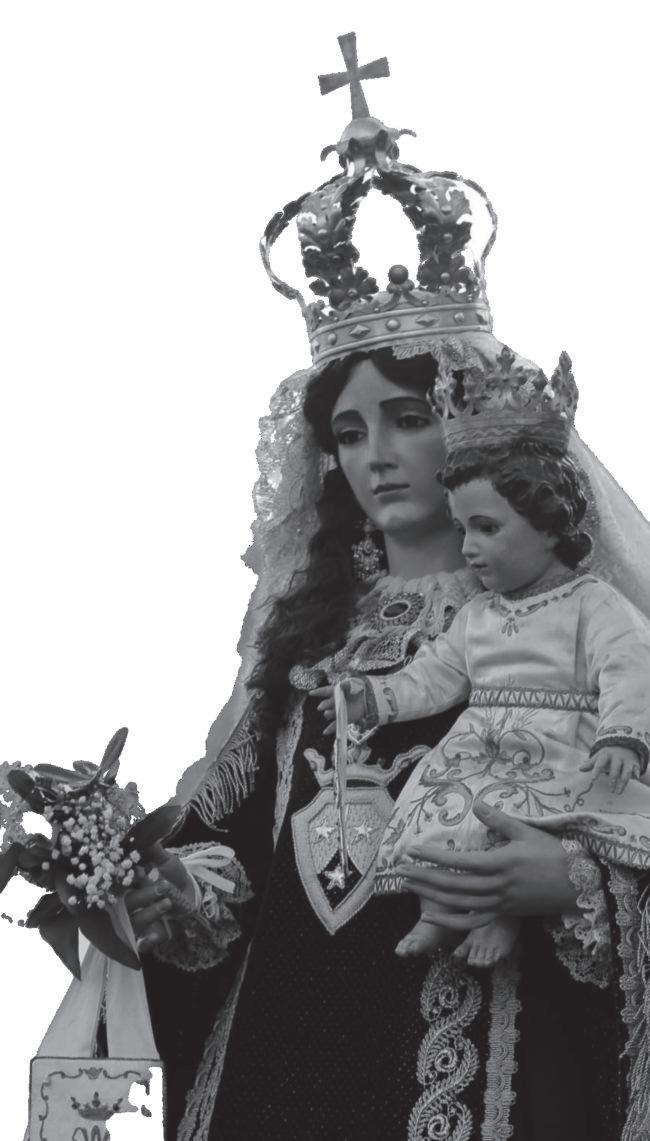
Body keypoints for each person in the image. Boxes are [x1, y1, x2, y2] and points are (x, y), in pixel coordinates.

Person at [126, 35, 650, 1141]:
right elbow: (233, 843)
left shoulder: (578, 619)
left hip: (499, 1049)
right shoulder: (304, 643)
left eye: (407, 419)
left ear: (469, 424)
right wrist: (167, 884)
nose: (376, 456)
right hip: (281, 1058)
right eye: (351, 432)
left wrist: (570, 879)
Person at [317, 426, 650, 967]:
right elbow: (435, 675)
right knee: (441, 814)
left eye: (487, 528)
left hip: (557, 746)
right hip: (481, 745)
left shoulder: (592, 602)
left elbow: (630, 666)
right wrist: (373, 697)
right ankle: (438, 910)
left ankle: (500, 915)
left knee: (517, 821)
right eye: (462, 528)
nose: (469, 548)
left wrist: (622, 736)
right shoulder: (477, 614)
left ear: (549, 527)